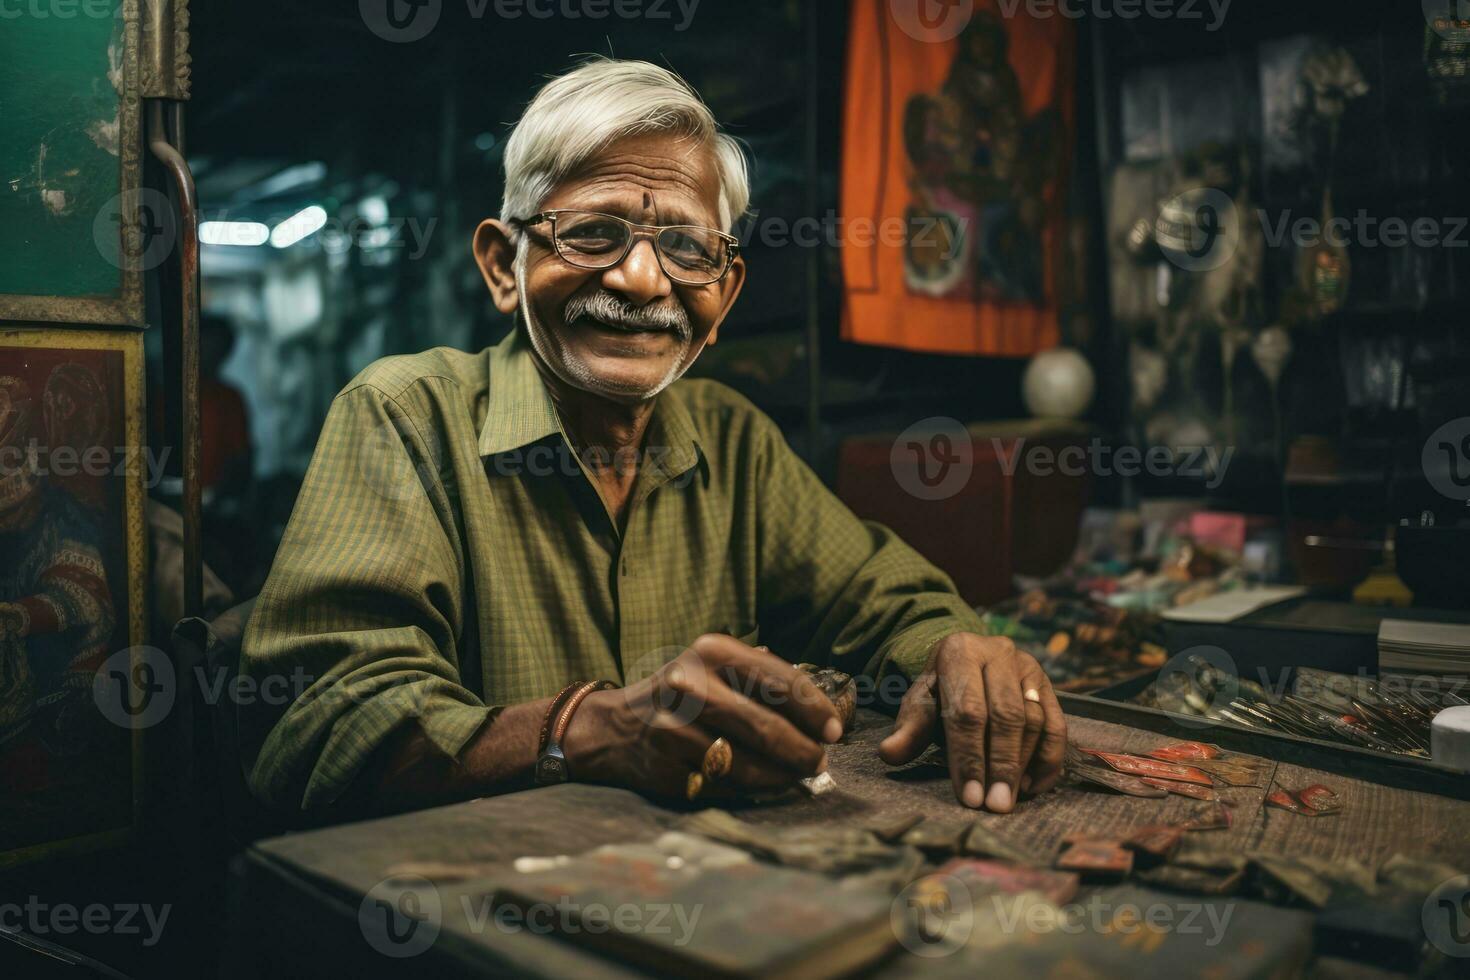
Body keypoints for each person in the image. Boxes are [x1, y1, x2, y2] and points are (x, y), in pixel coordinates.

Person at [240, 58, 1066, 817]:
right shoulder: (406, 418)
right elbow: (321, 727)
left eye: (685, 247)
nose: (642, 280)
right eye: (592, 233)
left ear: (724, 290)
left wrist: (955, 651)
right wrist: (588, 729)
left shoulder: (733, 441)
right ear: (504, 266)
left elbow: (884, 600)